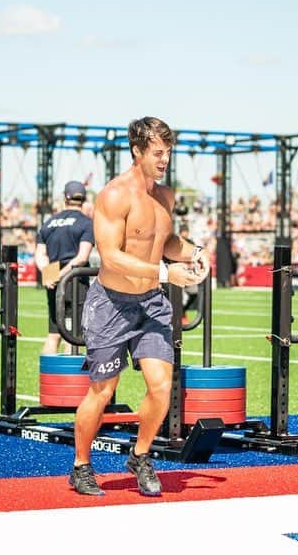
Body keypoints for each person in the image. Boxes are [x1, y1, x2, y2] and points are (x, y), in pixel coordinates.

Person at [69, 117, 208, 497]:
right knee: (102, 390)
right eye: (157, 153)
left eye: (168, 152)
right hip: (111, 304)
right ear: (138, 151)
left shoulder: (166, 196)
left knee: (162, 387)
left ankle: (141, 455)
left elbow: (164, 239)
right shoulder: (115, 195)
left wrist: (195, 253)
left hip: (151, 304)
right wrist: (166, 273)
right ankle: (81, 465)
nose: (164, 160)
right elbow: (111, 257)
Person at [35, 180, 95, 355]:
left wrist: (50, 275)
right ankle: (69, 380)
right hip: (75, 282)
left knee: (54, 334)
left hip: (52, 282)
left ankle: (47, 376)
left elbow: (40, 256)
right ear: (83, 199)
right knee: (73, 334)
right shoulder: (86, 223)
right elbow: (81, 258)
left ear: (65, 198)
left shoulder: (49, 223)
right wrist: (61, 275)